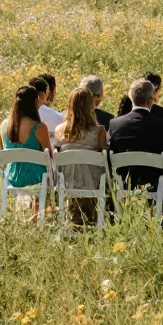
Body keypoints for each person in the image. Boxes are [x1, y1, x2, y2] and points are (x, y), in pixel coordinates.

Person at [106, 77, 163, 206]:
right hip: (154, 183)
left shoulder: (116, 124)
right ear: (151, 99)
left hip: (126, 182)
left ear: (130, 97)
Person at [52, 85, 107, 223]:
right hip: (93, 182)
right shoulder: (98, 131)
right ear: (91, 106)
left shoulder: (60, 131)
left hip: (66, 181)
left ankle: (75, 213)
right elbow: (107, 158)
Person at [0, 85, 52, 204]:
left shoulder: (4, 125)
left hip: (11, 177)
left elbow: (1, 150)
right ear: (35, 102)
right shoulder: (39, 127)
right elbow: (49, 157)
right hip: (35, 178)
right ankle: (39, 208)